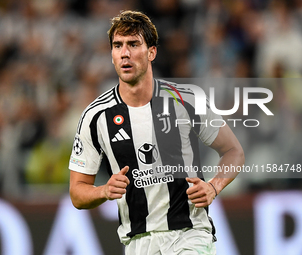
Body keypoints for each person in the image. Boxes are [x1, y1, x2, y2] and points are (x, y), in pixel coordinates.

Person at [69, 10, 244, 255]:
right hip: (138, 243)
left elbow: (233, 151)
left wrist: (214, 187)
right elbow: (77, 192)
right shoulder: (95, 116)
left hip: (190, 234)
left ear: (152, 52)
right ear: (111, 55)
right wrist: (104, 191)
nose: (125, 53)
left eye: (133, 44)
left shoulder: (186, 100)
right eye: (118, 46)